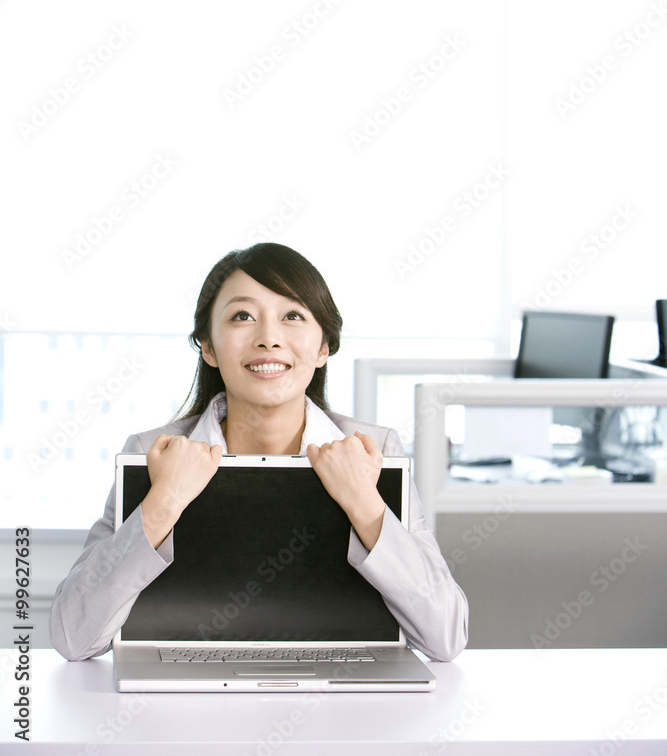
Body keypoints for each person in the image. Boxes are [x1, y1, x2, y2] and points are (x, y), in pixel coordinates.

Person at [50, 243, 468, 662]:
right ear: (208, 347)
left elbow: (445, 638)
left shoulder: (373, 452)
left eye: (293, 316)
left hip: (339, 700)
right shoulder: (152, 454)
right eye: (242, 316)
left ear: (323, 347)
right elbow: (74, 637)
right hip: (186, 702)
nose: (268, 339)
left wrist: (364, 503)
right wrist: (163, 502)